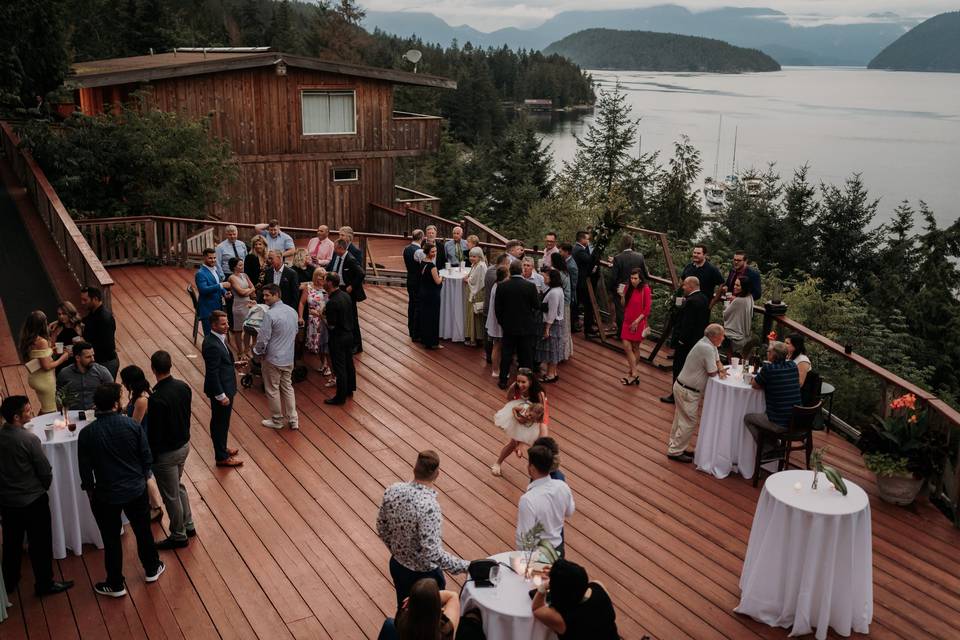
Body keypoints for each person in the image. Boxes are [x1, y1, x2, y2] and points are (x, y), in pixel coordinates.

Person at [79, 383, 164, 597]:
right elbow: (146, 457)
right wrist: (141, 478)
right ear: (116, 404)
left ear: (96, 405)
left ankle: (115, 583)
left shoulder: (87, 433)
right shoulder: (132, 426)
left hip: (106, 494)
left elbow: (85, 470)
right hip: (135, 489)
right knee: (143, 530)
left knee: (111, 539)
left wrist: (91, 493)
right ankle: (152, 568)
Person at [0, 396, 75, 598]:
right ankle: (44, 583)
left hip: (7, 502)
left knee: (11, 543)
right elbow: (44, 470)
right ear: (16, 417)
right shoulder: (29, 439)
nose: (31, 411)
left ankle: (9, 581)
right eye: (26, 409)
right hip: (33, 500)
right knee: (40, 544)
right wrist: (41, 488)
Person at [376, 451, 470, 608]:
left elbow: (381, 526)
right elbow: (432, 553)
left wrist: (396, 550)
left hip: (398, 566)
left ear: (414, 469)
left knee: (404, 611)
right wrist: (465, 566)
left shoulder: (393, 490)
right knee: (428, 621)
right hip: (424, 577)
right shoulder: (429, 507)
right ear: (437, 474)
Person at [138, 354, 195, 549]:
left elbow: (155, 433)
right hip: (184, 446)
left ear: (153, 369)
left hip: (166, 454)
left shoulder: (157, 398)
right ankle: (189, 524)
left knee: (170, 496)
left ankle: (179, 535)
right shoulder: (183, 387)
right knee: (177, 487)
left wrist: (149, 457)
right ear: (170, 366)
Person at [666, 324, 727, 462]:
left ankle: (676, 445)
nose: (723, 338)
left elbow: (717, 361)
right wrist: (721, 371)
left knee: (681, 419)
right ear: (715, 337)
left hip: (683, 387)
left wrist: (721, 368)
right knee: (689, 421)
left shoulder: (708, 344)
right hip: (688, 391)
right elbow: (712, 372)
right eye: (722, 336)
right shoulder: (706, 348)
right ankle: (675, 451)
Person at [119, 365, 165, 523]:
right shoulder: (138, 395)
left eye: (124, 381)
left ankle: (156, 506)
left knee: (146, 474)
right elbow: (127, 410)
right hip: (141, 438)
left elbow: (135, 424)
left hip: (142, 441)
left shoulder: (141, 400)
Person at [532, 558, 619, 639]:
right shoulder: (598, 586)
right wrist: (559, 574)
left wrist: (544, 586)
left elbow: (537, 608)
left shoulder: (562, 619)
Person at [254, 284, 299, 430]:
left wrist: (257, 353)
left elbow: (262, 339)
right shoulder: (292, 311)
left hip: (272, 358)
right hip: (288, 357)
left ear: (276, 295)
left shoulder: (270, 315)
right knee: (287, 387)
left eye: (267, 295)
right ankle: (293, 419)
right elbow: (295, 331)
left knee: (272, 389)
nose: (264, 298)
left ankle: (277, 420)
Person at [517, 445, 575, 558]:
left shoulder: (528, 499)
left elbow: (524, 540)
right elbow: (569, 512)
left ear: (532, 468)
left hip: (538, 557)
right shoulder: (562, 486)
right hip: (558, 549)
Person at [202, 312, 244, 466]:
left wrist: (233, 365)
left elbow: (220, 363)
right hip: (221, 390)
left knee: (223, 422)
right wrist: (220, 395)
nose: (227, 326)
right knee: (219, 423)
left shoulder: (218, 339)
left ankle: (222, 448)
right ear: (213, 325)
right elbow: (212, 372)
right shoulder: (212, 344)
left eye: (227, 323)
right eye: (223, 324)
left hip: (226, 386)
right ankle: (221, 457)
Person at [661, 277, 710, 404]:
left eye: (684, 286)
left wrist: (681, 340)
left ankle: (675, 395)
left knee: (678, 367)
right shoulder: (704, 299)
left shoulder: (691, 302)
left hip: (686, 342)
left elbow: (687, 323)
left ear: (691, 286)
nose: (682, 288)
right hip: (697, 340)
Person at [745, 341, 802, 449]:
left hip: (780, 423)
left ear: (773, 355)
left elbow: (754, 385)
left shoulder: (768, 369)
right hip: (797, 420)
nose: (767, 353)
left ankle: (769, 448)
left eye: (768, 351)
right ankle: (772, 444)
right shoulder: (793, 365)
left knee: (748, 418)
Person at [492, 369, 549, 476]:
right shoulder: (515, 386)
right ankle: (498, 462)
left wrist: (529, 420)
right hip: (521, 410)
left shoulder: (538, 393)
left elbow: (542, 414)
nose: (520, 384)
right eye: (518, 381)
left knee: (541, 444)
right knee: (513, 442)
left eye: (523, 382)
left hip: (537, 415)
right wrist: (519, 418)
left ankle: (539, 471)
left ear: (530, 382)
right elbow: (509, 399)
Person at [495, 261, 539, 390]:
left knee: (507, 354)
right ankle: (529, 382)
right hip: (526, 327)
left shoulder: (502, 286)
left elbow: (497, 308)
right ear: (521, 271)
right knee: (526, 355)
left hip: (508, 327)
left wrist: (503, 323)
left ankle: (503, 380)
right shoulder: (530, 286)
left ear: (510, 271)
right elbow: (536, 305)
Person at [20, 310, 71, 413]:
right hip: (44, 379)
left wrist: (51, 350)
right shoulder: (41, 341)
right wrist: (64, 357)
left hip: (34, 377)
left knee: (46, 407)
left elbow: (38, 356)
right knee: (50, 410)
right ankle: (38, 428)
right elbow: (47, 366)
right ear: (42, 324)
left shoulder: (27, 338)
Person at [378, 577, 461, 640]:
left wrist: (418, 598)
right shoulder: (444, 629)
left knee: (389, 625)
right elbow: (453, 596)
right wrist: (429, 598)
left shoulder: (403, 616)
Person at [323, 273, 357, 405]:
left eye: (325, 281)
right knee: (349, 363)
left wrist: (320, 316)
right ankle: (349, 389)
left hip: (338, 338)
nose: (324, 282)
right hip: (349, 334)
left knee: (339, 367)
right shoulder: (345, 295)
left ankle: (340, 396)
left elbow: (331, 325)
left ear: (330, 283)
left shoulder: (332, 302)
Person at [329, 238, 366, 354]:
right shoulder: (337, 257)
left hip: (348, 290)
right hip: (338, 288)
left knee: (352, 317)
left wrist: (352, 286)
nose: (334, 250)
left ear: (340, 248)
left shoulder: (350, 259)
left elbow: (361, 273)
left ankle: (357, 345)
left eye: (335, 248)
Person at [609, 234, 649, 334]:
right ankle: (631, 332)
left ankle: (621, 333)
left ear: (622, 244)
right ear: (631, 244)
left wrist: (612, 288)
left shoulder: (618, 258)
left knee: (620, 311)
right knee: (632, 311)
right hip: (635, 287)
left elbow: (614, 277)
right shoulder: (639, 256)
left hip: (622, 288)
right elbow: (646, 274)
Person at [56, 341, 114, 409]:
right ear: (78, 358)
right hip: (72, 414)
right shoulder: (64, 374)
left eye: (93, 355)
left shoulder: (102, 371)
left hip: (97, 413)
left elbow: (113, 392)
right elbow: (59, 396)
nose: (93, 359)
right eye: (88, 357)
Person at [619, 268, 652, 385]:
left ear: (640, 278)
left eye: (635, 278)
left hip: (639, 321)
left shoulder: (645, 289)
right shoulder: (628, 287)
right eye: (631, 278)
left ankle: (632, 374)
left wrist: (637, 321)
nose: (633, 281)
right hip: (627, 320)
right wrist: (622, 296)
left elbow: (647, 309)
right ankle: (634, 373)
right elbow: (624, 305)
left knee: (635, 347)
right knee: (626, 346)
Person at [80, 286, 119, 378]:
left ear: (95, 299)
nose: (82, 303)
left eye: (85, 300)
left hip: (106, 362)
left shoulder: (105, 318)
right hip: (99, 361)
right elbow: (84, 320)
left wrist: (84, 344)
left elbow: (107, 345)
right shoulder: (94, 313)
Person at [299, 268, 330, 375]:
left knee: (324, 343)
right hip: (311, 320)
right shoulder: (308, 287)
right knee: (315, 345)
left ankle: (327, 365)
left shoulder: (327, 288)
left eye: (324, 277)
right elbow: (302, 303)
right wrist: (300, 317)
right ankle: (323, 364)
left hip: (324, 319)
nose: (322, 279)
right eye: (320, 277)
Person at [537, 270, 565, 383]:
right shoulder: (558, 290)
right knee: (554, 349)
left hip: (552, 323)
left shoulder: (554, 293)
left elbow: (552, 312)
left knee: (552, 349)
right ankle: (553, 372)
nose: (544, 279)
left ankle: (550, 375)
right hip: (556, 323)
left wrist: (547, 328)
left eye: (547, 277)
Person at [483, 253, 510, 364]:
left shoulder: (490, 269)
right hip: (492, 308)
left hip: (488, 305)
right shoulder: (498, 276)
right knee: (492, 335)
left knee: (488, 333)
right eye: (508, 263)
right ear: (504, 264)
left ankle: (490, 355)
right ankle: (492, 356)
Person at [196, 247, 230, 335]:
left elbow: (218, 284)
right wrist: (221, 285)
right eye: (210, 258)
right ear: (204, 258)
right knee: (209, 335)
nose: (213, 260)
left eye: (214, 258)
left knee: (219, 334)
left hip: (218, 307)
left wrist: (225, 292)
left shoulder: (215, 269)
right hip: (207, 309)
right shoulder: (200, 273)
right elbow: (203, 290)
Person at [418, 243, 444, 350]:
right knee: (433, 318)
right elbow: (437, 282)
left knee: (425, 316)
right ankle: (434, 342)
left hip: (424, 292)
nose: (434, 253)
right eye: (432, 251)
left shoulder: (422, 262)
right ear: (428, 252)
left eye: (435, 251)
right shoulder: (432, 266)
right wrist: (442, 276)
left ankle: (425, 339)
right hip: (432, 294)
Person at [227, 257, 256, 355]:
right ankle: (240, 351)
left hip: (248, 304)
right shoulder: (231, 278)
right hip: (239, 305)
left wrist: (248, 291)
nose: (242, 266)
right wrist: (249, 290)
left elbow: (253, 287)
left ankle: (247, 349)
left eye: (242, 264)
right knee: (238, 330)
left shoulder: (245, 275)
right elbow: (241, 292)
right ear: (234, 267)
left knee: (248, 328)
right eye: (240, 265)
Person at [48, 301, 84, 374]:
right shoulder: (57, 328)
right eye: (59, 314)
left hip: (77, 363)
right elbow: (51, 347)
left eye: (64, 314)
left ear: (70, 313)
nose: (61, 316)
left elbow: (86, 346)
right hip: (62, 363)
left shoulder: (79, 327)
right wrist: (56, 351)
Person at [723, 276, 754, 356]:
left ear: (744, 287)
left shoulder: (738, 301)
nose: (734, 287)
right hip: (745, 334)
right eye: (735, 284)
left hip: (735, 335)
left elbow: (726, 315)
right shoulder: (749, 297)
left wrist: (727, 305)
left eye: (738, 285)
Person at [485, 266, 508, 377]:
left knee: (498, 345)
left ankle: (497, 369)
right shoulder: (500, 287)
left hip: (495, 320)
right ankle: (496, 370)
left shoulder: (496, 285)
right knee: (498, 346)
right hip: (498, 322)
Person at [572, 231, 596, 335]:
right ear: (581, 239)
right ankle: (588, 328)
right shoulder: (580, 251)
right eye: (587, 239)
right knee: (588, 304)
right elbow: (590, 260)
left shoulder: (575, 248)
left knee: (577, 304)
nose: (588, 241)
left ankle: (574, 325)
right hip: (582, 282)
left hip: (578, 281)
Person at [464, 247, 487, 347]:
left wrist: (467, 280)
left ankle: (475, 339)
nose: (471, 258)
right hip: (475, 292)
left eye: (474, 256)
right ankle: (476, 338)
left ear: (479, 256)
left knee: (475, 315)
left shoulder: (481, 266)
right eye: (470, 256)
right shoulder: (476, 264)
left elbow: (476, 281)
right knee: (473, 315)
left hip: (476, 293)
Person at [403, 229, 424, 341]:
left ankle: (411, 329)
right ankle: (416, 333)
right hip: (418, 282)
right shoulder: (419, 252)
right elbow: (423, 267)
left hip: (410, 279)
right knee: (417, 306)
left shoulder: (406, 249)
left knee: (412, 305)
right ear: (422, 238)